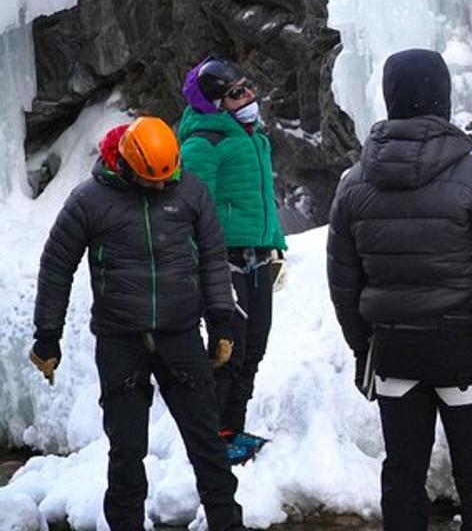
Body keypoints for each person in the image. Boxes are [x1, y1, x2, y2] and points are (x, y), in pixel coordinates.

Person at [327, 48, 472, 531]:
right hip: (462, 350)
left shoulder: (353, 184)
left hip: (393, 353)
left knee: (403, 478)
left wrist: (360, 347)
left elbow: (343, 282)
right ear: (443, 100)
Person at [30, 117, 244, 531]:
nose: (163, 188)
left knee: (207, 443)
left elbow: (213, 259)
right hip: (120, 341)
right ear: (126, 166)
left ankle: (227, 524)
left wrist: (221, 322)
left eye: (168, 179)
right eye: (152, 182)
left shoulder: (191, 191)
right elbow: (56, 266)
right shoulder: (89, 201)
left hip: (180, 334)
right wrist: (47, 336)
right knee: (126, 450)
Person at [180, 56, 288, 463]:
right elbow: (191, 211)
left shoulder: (251, 136)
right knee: (229, 350)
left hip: (258, 256)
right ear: (215, 104)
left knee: (254, 347)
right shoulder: (202, 144)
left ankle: (232, 429)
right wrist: (203, 264)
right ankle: (215, 439)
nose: (249, 95)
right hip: (223, 261)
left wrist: (274, 243)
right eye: (236, 93)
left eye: (247, 86)